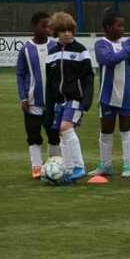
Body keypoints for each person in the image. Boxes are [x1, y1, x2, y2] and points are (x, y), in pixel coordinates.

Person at [88, 8, 130, 178]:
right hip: (108, 94)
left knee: (127, 130)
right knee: (106, 131)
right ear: (108, 27)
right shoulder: (101, 44)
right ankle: (105, 165)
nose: (122, 29)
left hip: (126, 94)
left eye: (123, 25)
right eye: (119, 25)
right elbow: (109, 60)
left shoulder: (127, 44)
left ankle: (127, 165)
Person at [44, 12, 94, 184]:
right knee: (61, 133)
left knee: (66, 127)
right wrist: (49, 107)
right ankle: (69, 170)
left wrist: (86, 100)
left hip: (76, 99)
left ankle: (79, 166)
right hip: (59, 101)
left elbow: (88, 77)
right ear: (56, 32)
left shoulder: (80, 50)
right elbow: (50, 82)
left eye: (70, 30)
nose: (67, 34)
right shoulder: (51, 52)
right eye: (63, 30)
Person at [16, 12, 61, 179]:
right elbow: (20, 74)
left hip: (52, 102)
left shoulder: (55, 46)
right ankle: (36, 166)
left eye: (49, 26)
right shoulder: (26, 49)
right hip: (33, 101)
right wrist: (23, 97)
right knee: (33, 135)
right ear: (34, 27)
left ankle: (53, 164)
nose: (47, 29)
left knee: (54, 134)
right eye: (44, 26)